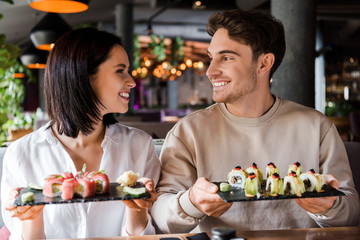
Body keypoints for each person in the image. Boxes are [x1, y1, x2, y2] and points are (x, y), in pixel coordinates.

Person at [151, 9, 360, 233]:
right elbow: (162, 217)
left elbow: (351, 209)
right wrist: (191, 202)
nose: (210, 71)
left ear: (264, 63)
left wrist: (329, 206)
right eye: (211, 58)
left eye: (227, 57)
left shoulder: (317, 126)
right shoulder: (187, 131)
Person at [1, 28, 161, 239]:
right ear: (83, 76)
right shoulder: (21, 154)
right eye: (120, 70)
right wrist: (31, 219)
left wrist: (137, 209)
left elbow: (146, 234)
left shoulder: (140, 145)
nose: (132, 81)